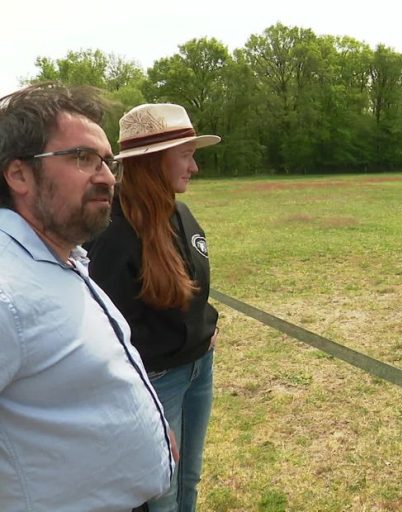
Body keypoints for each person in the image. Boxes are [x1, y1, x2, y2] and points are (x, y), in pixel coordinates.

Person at [0, 83, 175, 511]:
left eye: (107, 161)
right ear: (18, 174)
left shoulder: (61, 257)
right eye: (82, 158)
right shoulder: (7, 290)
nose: (107, 177)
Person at [85, 103, 220, 512]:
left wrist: (206, 326)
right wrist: (142, 409)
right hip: (156, 383)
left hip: (198, 369)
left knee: (188, 481)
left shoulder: (180, 213)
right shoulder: (110, 232)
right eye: (185, 155)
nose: (194, 167)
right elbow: (103, 334)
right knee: (159, 493)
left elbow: (193, 290)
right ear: (153, 162)